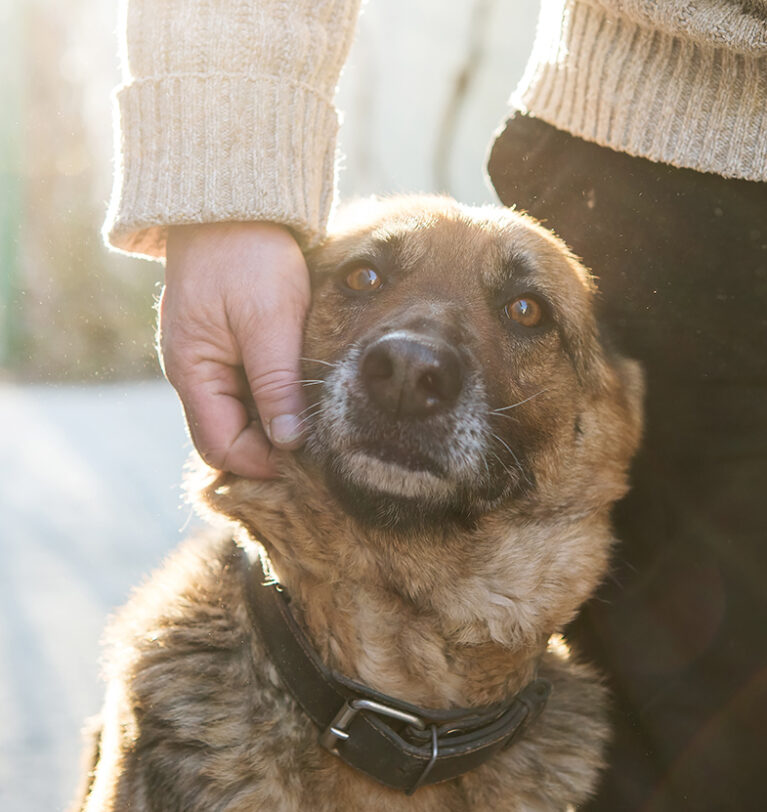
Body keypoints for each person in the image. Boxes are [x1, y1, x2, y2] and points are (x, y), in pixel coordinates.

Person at [105, 1, 767, 809]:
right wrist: (224, 186)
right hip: (651, 168)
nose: (415, 360)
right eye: (364, 280)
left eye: (523, 314)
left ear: (611, 419)